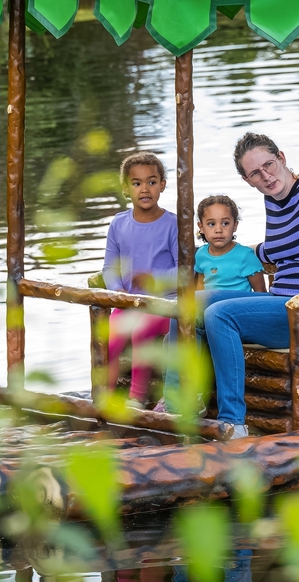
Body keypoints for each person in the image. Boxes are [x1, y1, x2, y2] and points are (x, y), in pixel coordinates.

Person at [163, 133, 299, 438]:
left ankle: (233, 423)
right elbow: (280, 247)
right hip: (288, 305)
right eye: (255, 172)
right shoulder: (273, 201)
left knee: (220, 315)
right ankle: (179, 401)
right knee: (186, 303)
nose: (266, 176)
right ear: (246, 179)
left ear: (281, 157)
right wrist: (255, 252)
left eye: (269, 164)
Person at [103, 152, 178, 407]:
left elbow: (186, 272)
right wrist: (117, 290)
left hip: (165, 305)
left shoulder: (173, 225)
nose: (144, 189)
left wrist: (155, 279)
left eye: (152, 182)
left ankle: (136, 398)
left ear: (162, 185)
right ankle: (105, 395)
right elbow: (109, 267)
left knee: (141, 330)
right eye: (136, 183)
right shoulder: (118, 224)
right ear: (126, 188)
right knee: (108, 338)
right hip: (127, 304)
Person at [194, 195, 266, 293]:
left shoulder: (246, 256)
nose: (218, 230)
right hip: (209, 305)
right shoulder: (200, 254)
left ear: (235, 225)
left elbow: (260, 293)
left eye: (225, 223)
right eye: (211, 224)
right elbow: (200, 286)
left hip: (237, 306)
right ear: (201, 227)